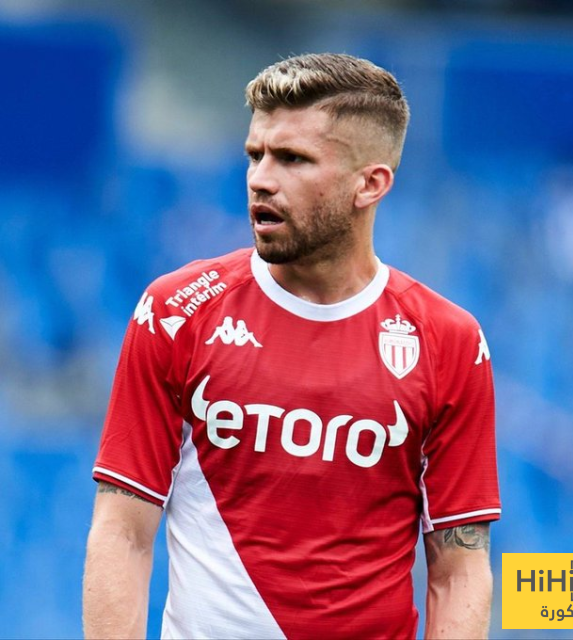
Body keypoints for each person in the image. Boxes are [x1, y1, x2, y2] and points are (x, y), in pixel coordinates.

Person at [83, 53, 500, 639]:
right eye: (255, 154)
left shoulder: (449, 341)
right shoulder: (177, 311)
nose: (260, 178)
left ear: (370, 184)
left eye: (292, 158)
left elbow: (459, 569)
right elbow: (122, 531)